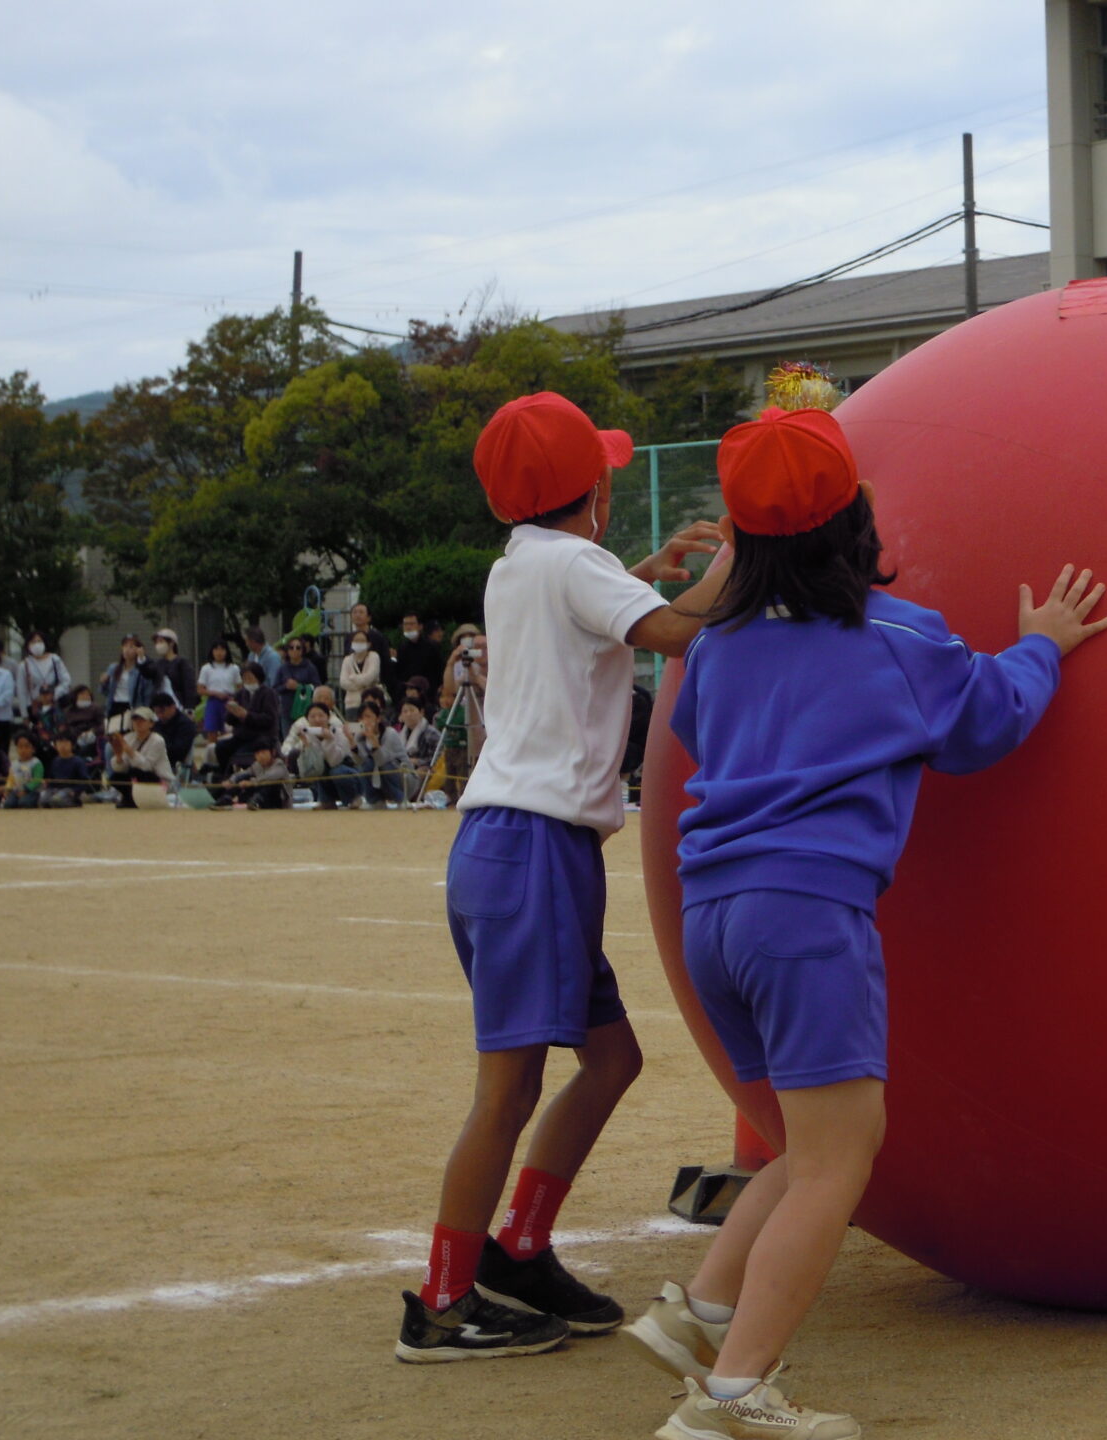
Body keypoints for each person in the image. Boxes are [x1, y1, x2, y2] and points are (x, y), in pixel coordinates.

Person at [627, 406, 1107, 1439]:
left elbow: (705, 733)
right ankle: (732, 1396)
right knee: (840, 1159)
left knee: (803, 1144)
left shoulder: (716, 646)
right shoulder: (897, 637)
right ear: (855, 514)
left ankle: (702, 1313)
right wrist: (1041, 648)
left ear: (745, 536)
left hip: (711, 910)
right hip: (806, 917)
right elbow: (987, 721)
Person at [395, 390, 724, 1364]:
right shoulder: (578, 566)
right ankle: (443, 1303)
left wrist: (644, 576)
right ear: (598, 485)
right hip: (533, 848)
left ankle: (521, 1249)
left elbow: (597, 605)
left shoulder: (522, 565)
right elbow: (671, 636)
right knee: (510, 1087)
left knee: (610, 1058)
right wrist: (743, 560)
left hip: (517, 847)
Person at [436, 625, 487, 806]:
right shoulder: (461, 666)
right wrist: (451, 662)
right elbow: (449, 692)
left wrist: (476, 677)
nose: (479, 651)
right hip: (468, 722)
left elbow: (493, 691)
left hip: (489, 722)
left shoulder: (497, 663)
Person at [283, 701, 363, 809]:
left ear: (328, 717)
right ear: (307, 719)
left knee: (337, 771)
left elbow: (335, 761)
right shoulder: (308, 736)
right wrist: (306, 746)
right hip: (325, 774)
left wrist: (328, 740)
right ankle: (327, 800)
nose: (317, 719)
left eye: (321, 715)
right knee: (318, 769)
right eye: (313, 716)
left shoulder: (338, 731)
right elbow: (307, 769)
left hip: (346, 770)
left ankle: (353, 798)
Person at [218, 663, 282, 777]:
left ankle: (243, 777)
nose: (248, 681)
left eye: (250, 678)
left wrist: (246, 715)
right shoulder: (240, 694)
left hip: (260, 737)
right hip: (241, 736)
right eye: (245, 678)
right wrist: (232, 712)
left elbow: (269, 719)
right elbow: (229, 720)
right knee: (221, 747)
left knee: (240, 753)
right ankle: (225, 776)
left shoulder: (268, 693)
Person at [109, 706, 175, 806]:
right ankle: (130, 798)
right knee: (115, 777)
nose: (138, 723)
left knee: (136, 772)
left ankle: (136, 799)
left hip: (158, 779)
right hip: (137, 775)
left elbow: (147, 766)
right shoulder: (129, 738)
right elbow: (122, 768)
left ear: (151, 723)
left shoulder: (157, 740)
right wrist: (119, 757)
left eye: (142, 720)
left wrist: (130, 751)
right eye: (135, 720)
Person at [353, 700, 412, 806]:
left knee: (384, 767)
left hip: (403, 777)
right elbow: (360, 761)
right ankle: (375, 801)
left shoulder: (389, 734)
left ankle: (401, 800)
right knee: (365, 766)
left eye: (368, 717)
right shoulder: (359, 737)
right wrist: (352, 744)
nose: (365, 721)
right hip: (379, 778)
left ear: (378, 718)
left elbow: (382, 761)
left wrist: (374, 742)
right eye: (361, 718)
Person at [15, 632, 72, 725]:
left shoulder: (54, 659)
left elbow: (66, 680)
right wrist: (24, 715)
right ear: (28, 645)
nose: (37, 644)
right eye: (33, 642)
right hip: (35, 706)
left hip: (55, 704)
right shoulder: (24, 665)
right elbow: (21, 691)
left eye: (39, 641)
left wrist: (54, 694)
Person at [221, 742, 292, 809]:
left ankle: (255, 802)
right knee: (242, 779)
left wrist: (252, 783)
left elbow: (268, 777)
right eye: (257, 753)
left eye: (263, 753)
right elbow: (244, 773)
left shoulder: (279, 765)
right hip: (260, 797)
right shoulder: (256, 765)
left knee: (268, 784)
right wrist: (231, 780)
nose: (260, 756)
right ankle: (227, 799)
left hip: (279, 802)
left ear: (273, 752)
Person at [101, 635, 154, 720]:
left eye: (131, 647)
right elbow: (105, 692)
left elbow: (147, 693)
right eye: (125, 646)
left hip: (132, 706)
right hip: (114, 705)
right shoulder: (113, 668)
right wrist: (104, 682)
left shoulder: (141, 670)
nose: (127, 650)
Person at [198, 639, 241, 738]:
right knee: (212, 731)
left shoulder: (234, 668)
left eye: (222, 649)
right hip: (213, 702)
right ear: (212, 651)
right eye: (216, 649)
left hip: (229, 702)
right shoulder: (206, 668)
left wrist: (234, 698)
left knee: (228, 732)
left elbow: (240, 687)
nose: (219, 653)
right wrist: (216, 694)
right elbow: (200, 689)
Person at [393, 613, 443, 697]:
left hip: (430, 692)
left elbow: (439, 669)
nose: (408, 627)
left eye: (412, 624)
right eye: (405, 624)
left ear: (420, 626)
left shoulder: (432, 646)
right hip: (409, 693)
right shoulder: (402, 648)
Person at [41, 733, 98, 807]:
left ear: (72, 745)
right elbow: (52, 779)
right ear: (55, 746)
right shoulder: (55, 761)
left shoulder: (78, 761)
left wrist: (76, 791)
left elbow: (85, 780)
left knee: (56, 800)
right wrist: (48, 786)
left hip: (70, 790)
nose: (63, 745)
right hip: (56, 789)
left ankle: (75, 802)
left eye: (66, 742)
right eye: (60, 743)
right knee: (43, 800)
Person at [150, 693, 200, 777]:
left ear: (173, 707)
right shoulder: (157, 725)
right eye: (157, 712)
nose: (160, 715)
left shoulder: (185, 724)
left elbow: (179, 751)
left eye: (162, 711)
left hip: (172, 763)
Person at [275, 638, 322, 724]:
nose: (294, 650)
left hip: (305, 710)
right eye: (291, 647)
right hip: (287, 711)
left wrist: (299, 687)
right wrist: (286, 686)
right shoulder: (282, 668)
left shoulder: (309, 667)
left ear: (302, 650)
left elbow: (318, 687)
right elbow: (275, 688)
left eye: (298, 647)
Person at [339, 629, 382, 722]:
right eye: (356, 641)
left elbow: (370, 677)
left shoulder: (374, 656)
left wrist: (353, 677)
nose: (359, 643)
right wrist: (363, 684)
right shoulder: (347, 660)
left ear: (369, 644)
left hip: (372, 703)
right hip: (352, 704)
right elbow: (343, 682)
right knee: (354, 731)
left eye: (362, 641)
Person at [151, 628, 197, 708]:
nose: (158, 645)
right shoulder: (158, 664)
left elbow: (189, 688)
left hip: (178, 706)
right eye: (156, 642)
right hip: (160, 707)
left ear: (171, 643)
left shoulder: (182, 663)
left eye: (161, 641)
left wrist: (189, 708)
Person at [1, 732, 44, 809]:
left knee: (24, 803)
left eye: (27, 747)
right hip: (16, 791)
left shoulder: (36, 763)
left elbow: (37, 780)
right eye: (20, 747)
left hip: (32, 791)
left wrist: (26, 789)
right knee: (8, 804)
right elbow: (11, 778)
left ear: (33, 749)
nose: (23, 750)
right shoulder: (14, 764)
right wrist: (8, 789)